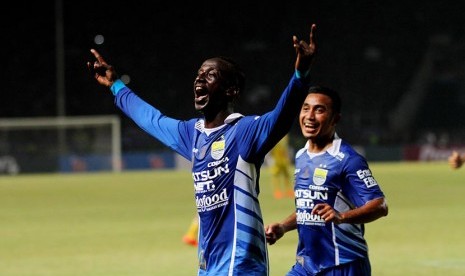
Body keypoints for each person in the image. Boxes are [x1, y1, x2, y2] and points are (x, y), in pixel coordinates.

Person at [87, 24, 317, 276]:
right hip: (207, 267)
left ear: (231, 90)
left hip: (240, 265)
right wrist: (116, 86)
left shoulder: (244, 132)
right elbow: (151, 119)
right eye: (198, 74)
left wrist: (301, 74)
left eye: (210, 75)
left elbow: (281, 116)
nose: (199, 78)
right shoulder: (191, 134)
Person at [265, 86, 388, 276]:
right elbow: (309, 208)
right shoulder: (301, 155)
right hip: (306, 265)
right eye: (306, 108)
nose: (310, 116)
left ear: (335, 118)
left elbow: (380, 205)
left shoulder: (347, 159)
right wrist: (283, 226)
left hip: (343, 265)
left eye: (319, 110)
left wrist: (342, 217)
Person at [269, 134, 294, 199]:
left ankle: (289, 191)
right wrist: (272, 158)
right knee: (276, 176)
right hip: (277, 161)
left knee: (287, 176)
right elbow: (271, 150)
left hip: (284, 161)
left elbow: (286, 148)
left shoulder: (285, 137)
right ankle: (277, 192)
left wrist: (287, 157)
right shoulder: (274, 137)